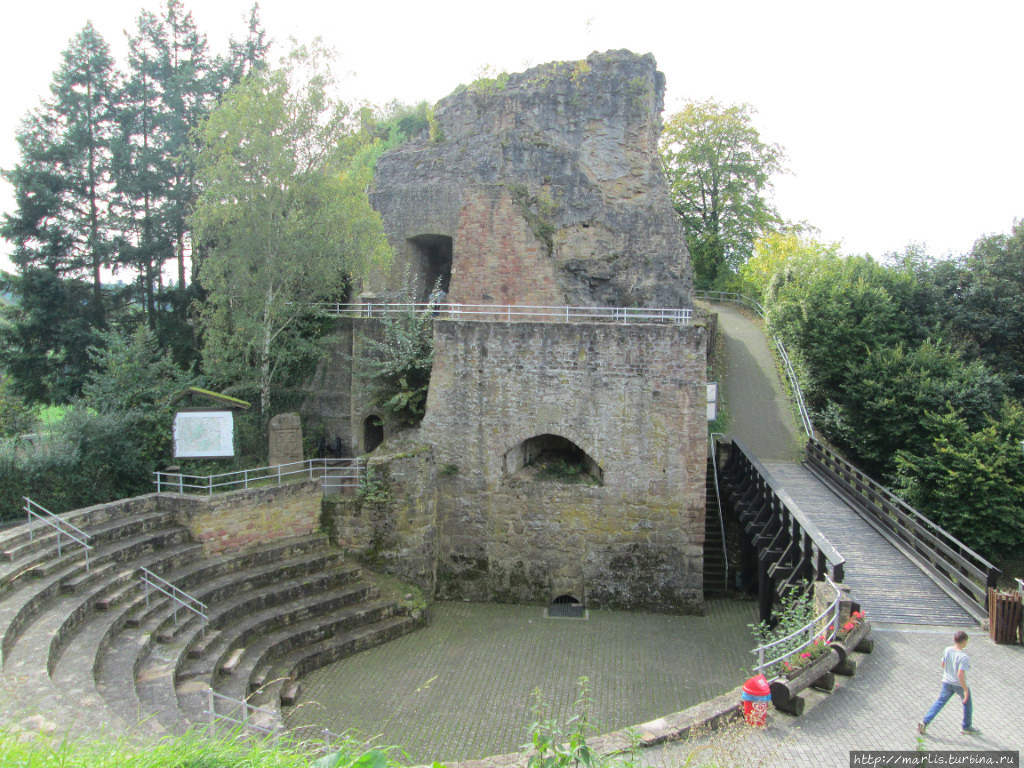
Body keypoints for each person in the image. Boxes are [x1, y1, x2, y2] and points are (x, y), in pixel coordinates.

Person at [917, 630, 981, 736]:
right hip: (959, 684)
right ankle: (966, 726)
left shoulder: (947, 650)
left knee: (940, 702)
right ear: (964, 642)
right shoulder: (964, 657)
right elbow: (960, 674)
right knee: (967, 704)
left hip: (946, 682)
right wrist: (965, 689)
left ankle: (925, 722)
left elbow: (943, 664)